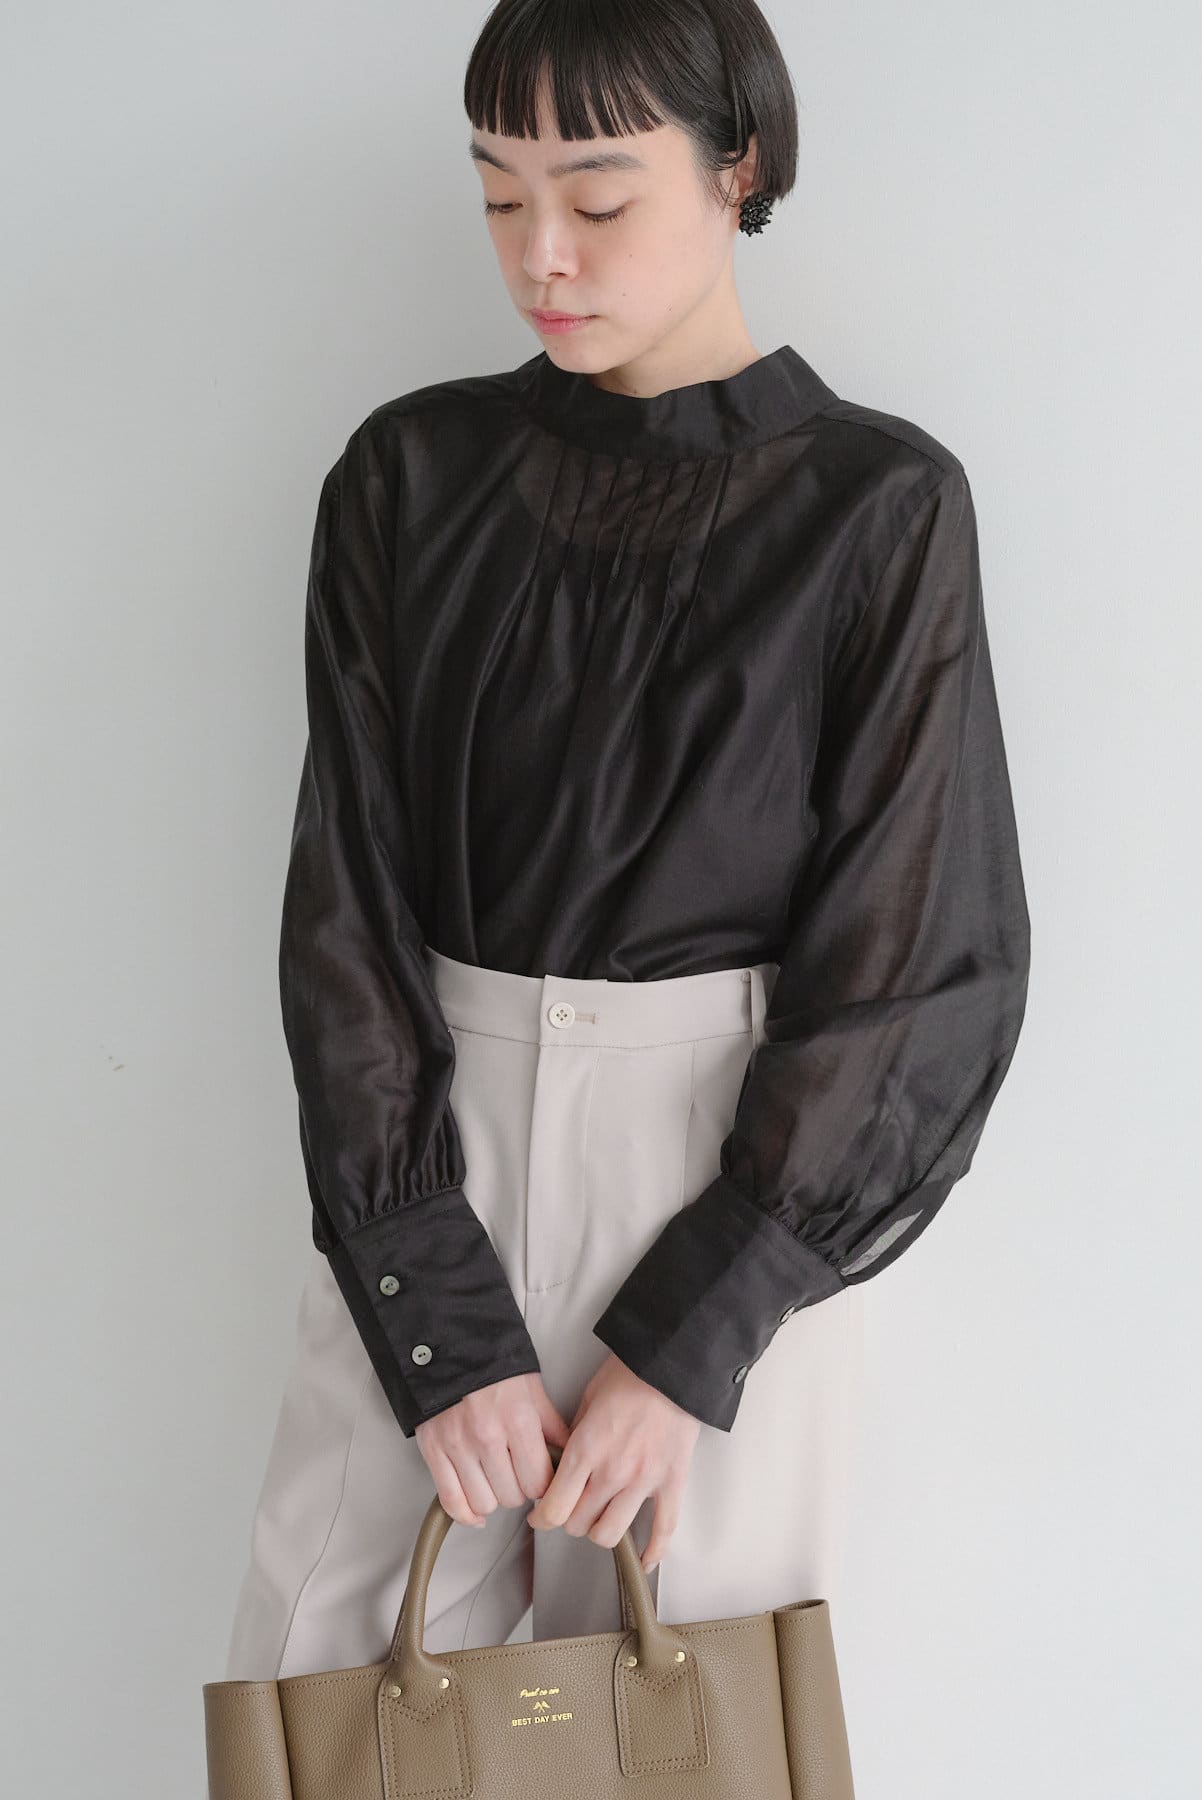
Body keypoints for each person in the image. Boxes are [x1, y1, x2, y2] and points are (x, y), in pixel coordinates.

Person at [220, 0, 1031, 1689]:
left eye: (596, 196)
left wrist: (693, 1338)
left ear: (741, 167)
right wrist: (428, 1307)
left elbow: (917, 963)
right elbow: (346, 905)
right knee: (331, 1699)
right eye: (498, 192)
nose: (541, 252)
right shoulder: (408, 475)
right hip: (430, 1140)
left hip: (730, 1161)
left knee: (686, 1730)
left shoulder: (879, 509)